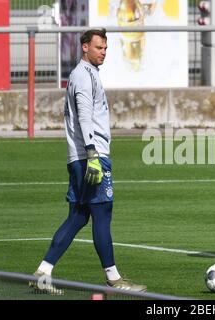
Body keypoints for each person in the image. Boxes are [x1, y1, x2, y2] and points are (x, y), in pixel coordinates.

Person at [30, 28, 146, 293]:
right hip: (90, 157)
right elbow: (84, 115)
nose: (103, 52)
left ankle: (43, 272)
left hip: (79, 156)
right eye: (98, 48)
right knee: (102, 214)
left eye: (105, 48)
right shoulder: (83, 76)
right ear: (84, 47)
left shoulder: (85, 74)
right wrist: (93, 154)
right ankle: (114, 278)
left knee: (78, 216)